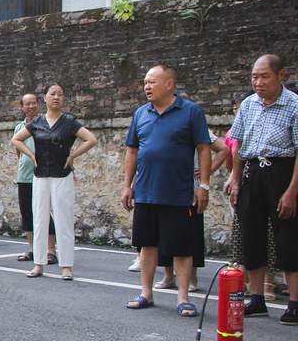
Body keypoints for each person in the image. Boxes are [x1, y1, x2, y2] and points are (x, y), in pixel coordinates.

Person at [121, 66, 211, 316]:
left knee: (181, 247)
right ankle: (146, 293)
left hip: (179, 193)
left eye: (152, 82)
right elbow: (132, 151)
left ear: (169, 84)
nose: (147, 87)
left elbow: (204, 148)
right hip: (146, 192)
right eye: (145, 82)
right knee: (147, 245)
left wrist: (203, 185)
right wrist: (128, 186)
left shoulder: (190, 111)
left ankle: (183, 298)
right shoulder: (141, 113)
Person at [224, 55, 298, 326]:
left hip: (282, 171)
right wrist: (234, 178)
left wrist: (291, 191)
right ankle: (256, 299)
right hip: (252, 172)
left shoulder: (294, 105)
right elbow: (239, 144)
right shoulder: (248, 105)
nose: (258, 82)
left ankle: (295, 303)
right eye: (255, 77)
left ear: (281, 75)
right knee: (251, 234)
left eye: (264, 76)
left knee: (288, 237)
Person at [11, 84, 97, 281]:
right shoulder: (38, 122)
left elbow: (91, 139)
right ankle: (39, 264)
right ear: (45, 98)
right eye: (52, 94)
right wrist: (32, 155)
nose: (56, 97)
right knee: (40, 219)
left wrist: (72, 155)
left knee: (64, 220)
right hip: (41, 176)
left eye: (60, 94)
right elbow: (16, 140)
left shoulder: (69, 122)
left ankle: (66, 266)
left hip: (62, 176)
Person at [153, 128, 229, 292]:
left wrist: (205, 173)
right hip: (163, 188)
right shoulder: (157, 122)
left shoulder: (194, 123)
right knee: (163, 232)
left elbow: (223, 149)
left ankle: (191, 277)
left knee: (190, 233)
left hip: (189, 190)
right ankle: (168, 275)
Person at [15, 93, 57, 263]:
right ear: (22, 107)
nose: (31, 106)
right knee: (27, 214)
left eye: (34, 103)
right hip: (25, 176)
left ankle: (51, 250)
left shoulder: (46, 124)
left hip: (43, 175)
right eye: (27, 104)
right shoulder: (19, 128)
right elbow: (19, 151)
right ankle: (33, 249)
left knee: (45, 212)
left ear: (38, 104)